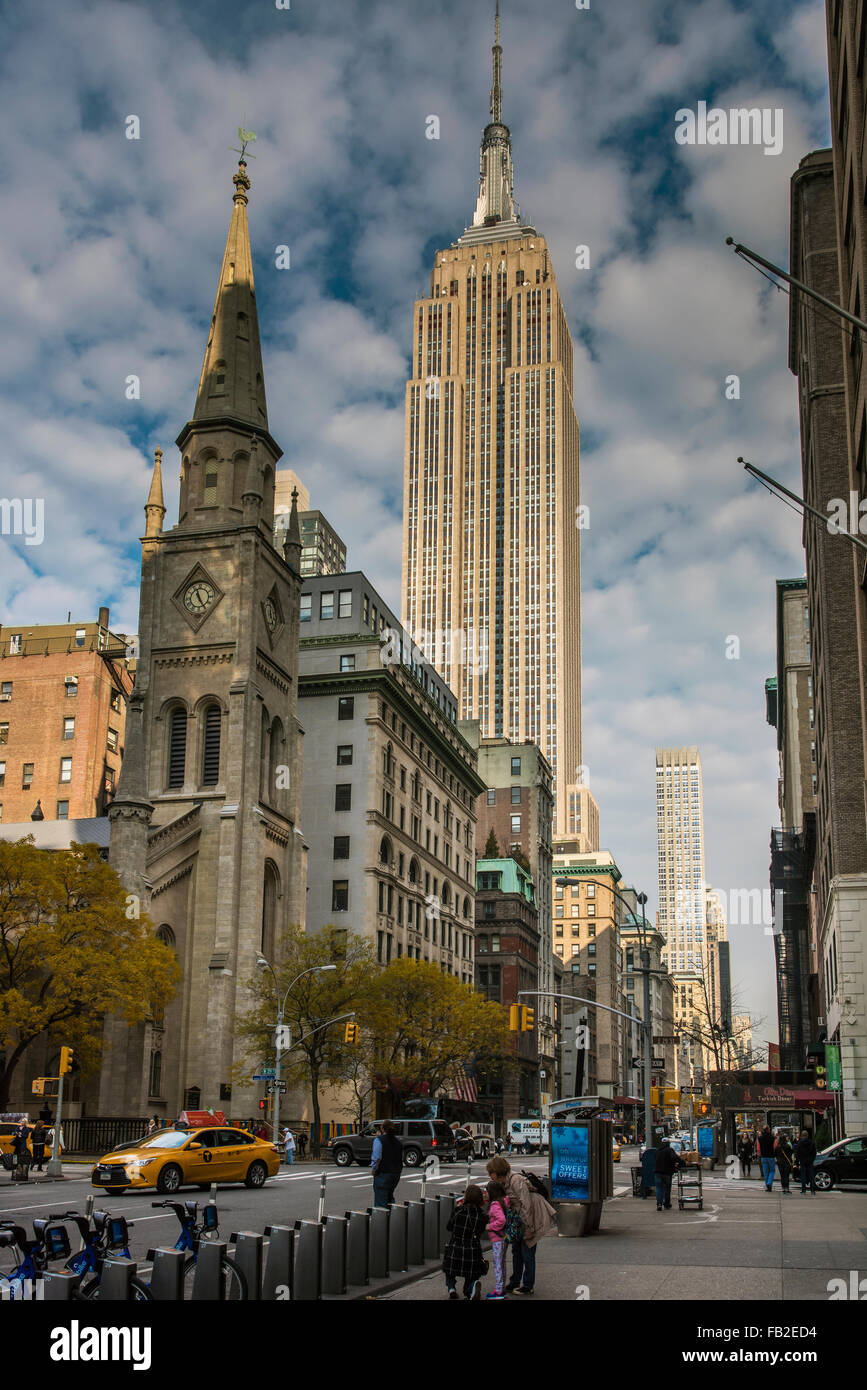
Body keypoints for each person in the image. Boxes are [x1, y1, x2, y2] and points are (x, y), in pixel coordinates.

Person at [485, 1155, 558, 1295]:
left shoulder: (516, 1180)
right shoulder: (504, 1182)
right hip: (519, 1221)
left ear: (498, 1170)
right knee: (517, 1251)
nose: (490, 1175)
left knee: (528, 1251)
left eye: (491, 1172)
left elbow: (527, 1206)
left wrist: (529, 1228)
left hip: (531, 1218)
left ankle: (528, 1285)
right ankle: (514, 1282)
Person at [442, 1185, 488, 1300]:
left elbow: (449, 1227)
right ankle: (471, 1288)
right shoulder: (482, 1215)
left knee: (449, 1270)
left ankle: (451, 1288)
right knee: (472, 1273)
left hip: (456, 1246)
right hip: (473, 1248)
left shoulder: (458, 1210)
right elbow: (481, 1231)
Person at [484, 1180, 510, 1300]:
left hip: (497, 1238)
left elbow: (502, 1220)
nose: (485, 1193)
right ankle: (502, 1288)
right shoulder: (503, 1202)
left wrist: (490, 1226)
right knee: (502, 1263)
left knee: (498, 1264)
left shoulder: (495, 1205)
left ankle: (499, 1291)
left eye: (487, 1191)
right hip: (503, 1237)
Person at [371, 1120, 403, 1208]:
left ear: (382, 1128)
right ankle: (392, 1218)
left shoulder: (379, 1140)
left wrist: (374, 1170)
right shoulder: (398, 1142)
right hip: (395, 1173)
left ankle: (382, 1220)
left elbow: (377, 1158)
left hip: (383, 1173)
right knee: (389, 1196)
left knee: (380, 1201)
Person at [653, 1138, 683, 1210]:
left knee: (659, 1188)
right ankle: (667, 1204)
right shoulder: (669, 1150)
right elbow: (675, 1158)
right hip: (667, 1172)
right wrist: (682, 1162)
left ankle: (659, 1204)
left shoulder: (657, 1151)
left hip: (657, 1172)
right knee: (667, 1189)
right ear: (668, 1143)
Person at [794, 1129, 817, 1195]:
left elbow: (797, 1153)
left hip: (803, 1162)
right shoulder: (812, 1143)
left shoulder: (800, 1143)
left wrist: (797, 1161)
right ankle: (812, 1190)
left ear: (802, 1135)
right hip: (810, 1162)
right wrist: (812, 1159)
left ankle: (803, 1190)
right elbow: (814, 1153)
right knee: (811, 1176)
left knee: (803, 1176)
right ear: (807, 1135)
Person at [757, 1125, 776, 1190]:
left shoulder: (759, 1138)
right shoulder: (772, 1138)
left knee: (765, 1172)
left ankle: (768, 1186)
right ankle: (769, 1183)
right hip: (770, 1156)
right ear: (768, 1130)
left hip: (763, 1157)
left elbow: (758, 1148)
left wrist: (760, 1154)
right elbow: (774, 1147)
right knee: (772, 1170)